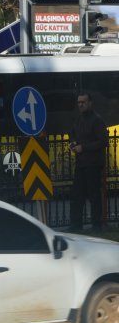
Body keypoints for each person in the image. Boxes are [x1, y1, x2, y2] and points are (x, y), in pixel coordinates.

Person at [69, 93, 108, 231]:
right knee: (77, 195)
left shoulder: (97, 120)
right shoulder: (78, 119)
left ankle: (96, 225)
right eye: (79, 102)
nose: (80, 104)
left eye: (83, 102)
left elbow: (103, 141)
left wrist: (83, 147)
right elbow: (72, 134)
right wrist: (72, 143)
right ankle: (76, 225)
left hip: (93, 164)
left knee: (94, 195)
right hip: (81, 163)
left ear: (90, 103)